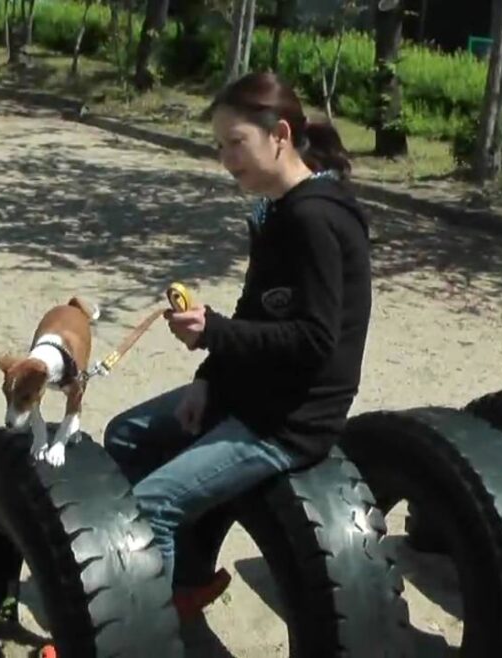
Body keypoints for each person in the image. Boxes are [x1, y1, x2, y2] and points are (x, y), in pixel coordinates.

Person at [103, 70, 375, 621]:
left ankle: (141, 633)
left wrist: (214, 332)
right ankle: (185, 583)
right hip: (252, 391)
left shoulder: (315, 219)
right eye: (219, 146)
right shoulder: (276, 210)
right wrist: (211, 378)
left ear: (279, 133)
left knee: (151, 504)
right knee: (127, 436)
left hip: (290, 419)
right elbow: (261, 309)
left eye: (236, 144)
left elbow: (315, 339)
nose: (227, 159)